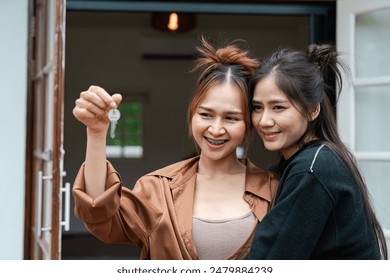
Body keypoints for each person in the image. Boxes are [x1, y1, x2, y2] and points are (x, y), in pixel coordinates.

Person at [72, 36, 278, 260]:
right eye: (206, 114)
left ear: (249, 123)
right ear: (192, 115)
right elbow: (99, 215)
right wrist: (96, 133)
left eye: (231, 118)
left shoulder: (274, 190)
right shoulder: (159, 189)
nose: (216, 129)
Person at [246, 44, 388, 259]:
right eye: (257, 108)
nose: (264, 121)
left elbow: (268, 261)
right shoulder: (312, 160)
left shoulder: (312, 170)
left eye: (278, 107)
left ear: (313, 110)